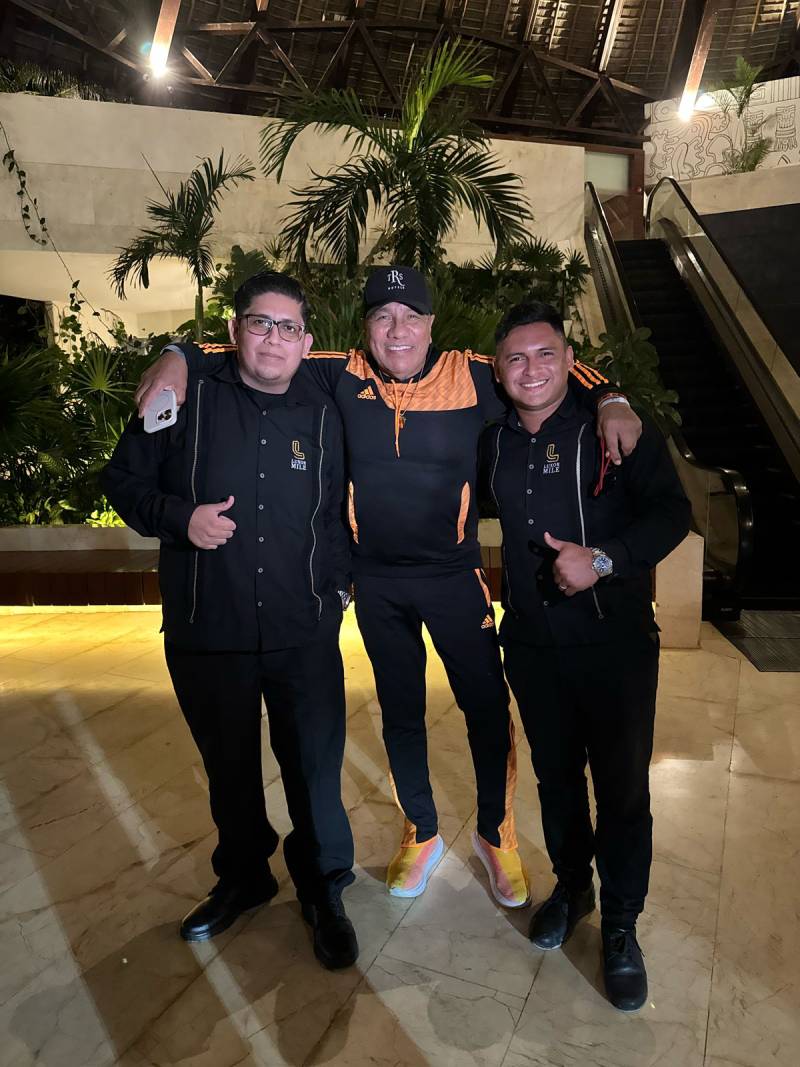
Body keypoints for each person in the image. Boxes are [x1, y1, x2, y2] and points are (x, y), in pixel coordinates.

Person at [135, 266, 643, 911]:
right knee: (401, 712)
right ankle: (420, 831)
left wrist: (613, 397)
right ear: (366, 327)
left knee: (487, 709)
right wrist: (176, 356)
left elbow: (546, 368)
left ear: (431, 325)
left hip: (455, 577)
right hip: (376, 582)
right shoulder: (338, 373)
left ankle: (497, 835)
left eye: (410, 316)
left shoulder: (472, 374)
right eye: (382, 316)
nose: (397, 329)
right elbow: (248, 349)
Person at [102, 271, 359, 971]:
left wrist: (337, 592)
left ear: (306, 340)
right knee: (230, 769)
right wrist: (180, 518)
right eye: (259, 323)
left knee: (314, 770)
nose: (273, 339)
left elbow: (334, 511)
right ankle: (245, 876)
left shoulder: (324, 409)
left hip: (304, 630)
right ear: (234, 329)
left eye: (287, 327)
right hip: (208, 626)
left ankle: (322, 886)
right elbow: (122, 481)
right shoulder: (184, 396)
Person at [486, 300, 691, 1010]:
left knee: (623, 790)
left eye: (546, 354)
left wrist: (604, 559)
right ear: (498, 370)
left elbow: (673, 513)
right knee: (556, 781)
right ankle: (574, 889)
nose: (531, 370)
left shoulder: (615, 429)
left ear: (572, 361)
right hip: (533, 645)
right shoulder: (493, 438)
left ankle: (622, 924)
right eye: (515, 358)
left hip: (616, 644)